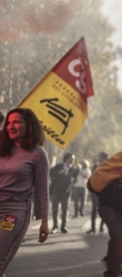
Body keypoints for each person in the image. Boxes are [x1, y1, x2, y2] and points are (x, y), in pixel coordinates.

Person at [0, 108, 49, 275]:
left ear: (29, 126)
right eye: (9, 122)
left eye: (17, 122)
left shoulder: (37, 153)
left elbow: (42, 189)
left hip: (15, 210)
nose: (11, 126)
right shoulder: (1, 148)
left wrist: (44, 220)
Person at [49, 152, 78, 233]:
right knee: (55, 209)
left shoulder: (74, 170)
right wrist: (58, 173)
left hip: (66, 192)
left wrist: (74, 182)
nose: (73, 160)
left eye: (74, 159)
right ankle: (55, 226)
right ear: (66, 159)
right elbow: (50, 172)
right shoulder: (59, 167)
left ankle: (63, 227)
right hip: (56, 191)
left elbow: (75, 180)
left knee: (65, 209)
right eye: (72, 159)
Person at [88, 151, 108, 234]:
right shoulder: (96, 165)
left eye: (100, 157)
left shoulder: (109, 166)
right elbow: (92, 177)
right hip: (95, 191)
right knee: (94, 209)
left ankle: (101, 226)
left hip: (104, 192)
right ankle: (92, 227)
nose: (98, 159)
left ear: (104, 158)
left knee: (103, 209)